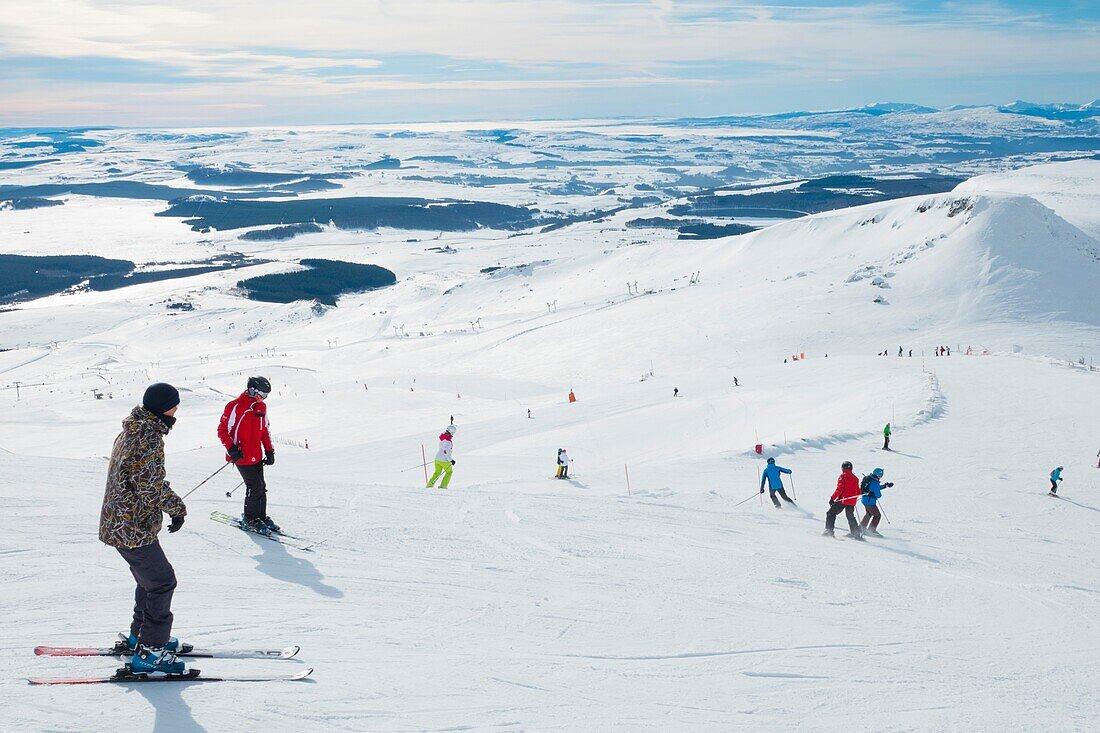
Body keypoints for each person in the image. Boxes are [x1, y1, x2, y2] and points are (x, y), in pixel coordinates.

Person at [99, 382, 189, 675]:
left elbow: (141, 479)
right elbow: (149, 487)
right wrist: (177, 508)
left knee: (149, 581)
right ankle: (151, 652)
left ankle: (142, 636)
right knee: (162, 582)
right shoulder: (148, 437)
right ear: (165, 407)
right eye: (175, 404)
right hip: (132, 527)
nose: (177, 410)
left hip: (122, 523)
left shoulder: (133, 429)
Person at [217, 376, 277, 535]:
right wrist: (232, 449)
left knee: (261, 487)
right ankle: (250, 518)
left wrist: (269, 450)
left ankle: (261, 517)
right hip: (240, 455)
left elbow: (264, 431)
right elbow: (222, 431)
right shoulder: (234, 406)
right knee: (254, 486)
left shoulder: (261, 407)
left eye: (266, 396)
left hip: (256, 454)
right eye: (262, 394)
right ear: (252, 389)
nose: (263, 398)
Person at [824, 461, 863, 539]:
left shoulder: (843, 476)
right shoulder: (855, 478)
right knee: (850, 516)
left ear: (842, 468)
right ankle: (856, 534)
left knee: (831, 513)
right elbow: (858, 491)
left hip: (843, 500)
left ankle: (829, 531)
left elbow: (840, 489)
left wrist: (832, 498)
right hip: (852, 501)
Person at [859, 468, 893, 536]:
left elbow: (875, 488)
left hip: (865, 500)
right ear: (877, 474)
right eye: (880, 475)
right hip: (870, 502)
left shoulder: (870, 479)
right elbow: (878, 495)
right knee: (877, 515)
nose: (880, 477)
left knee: (868, 514)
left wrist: (885, 486)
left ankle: (861, 528)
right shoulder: (875, 482)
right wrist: (876, 493)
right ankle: (871, 531)